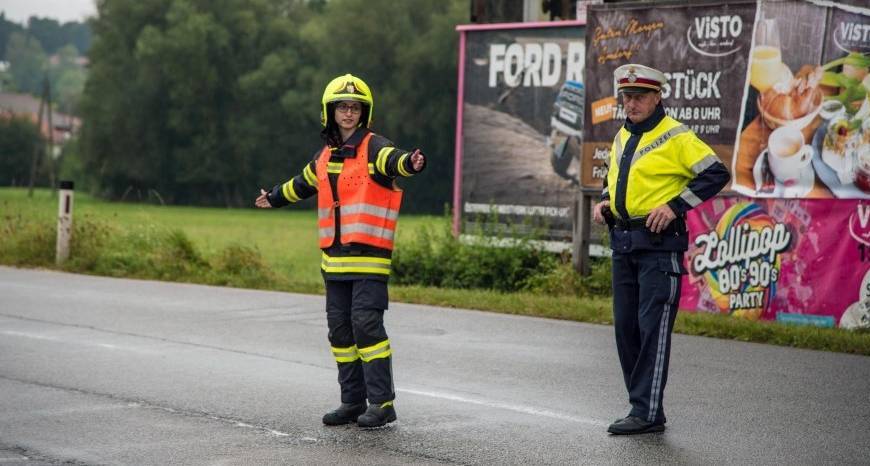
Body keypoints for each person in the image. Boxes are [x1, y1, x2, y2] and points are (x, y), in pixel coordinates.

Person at [255, 73, 425, 428]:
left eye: (355, 107)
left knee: (366, 326)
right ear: (329, 112)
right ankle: (352, 401)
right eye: (342, 107)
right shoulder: (326, 155)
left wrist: (410, 163)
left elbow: (394, 161)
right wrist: (273, 197)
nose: (348, 113)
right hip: (334, 260)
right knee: (340, 331)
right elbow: (303, 183)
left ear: (364, 112)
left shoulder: (374, 147)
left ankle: (382, 403)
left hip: (368, 260)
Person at [592, 64, 730, 435]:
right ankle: (643, 407)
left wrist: (674, 207)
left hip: (658, 246)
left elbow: (717, 173)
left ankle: (646, 411)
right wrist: (605, 201)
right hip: (623, 242)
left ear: (657, 97)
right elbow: (612, 177)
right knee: (626, 329)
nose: (631, 104)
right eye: (626, 97)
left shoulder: (676, 136)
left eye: (638, 97)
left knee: (652, 328)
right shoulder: (623, 134)